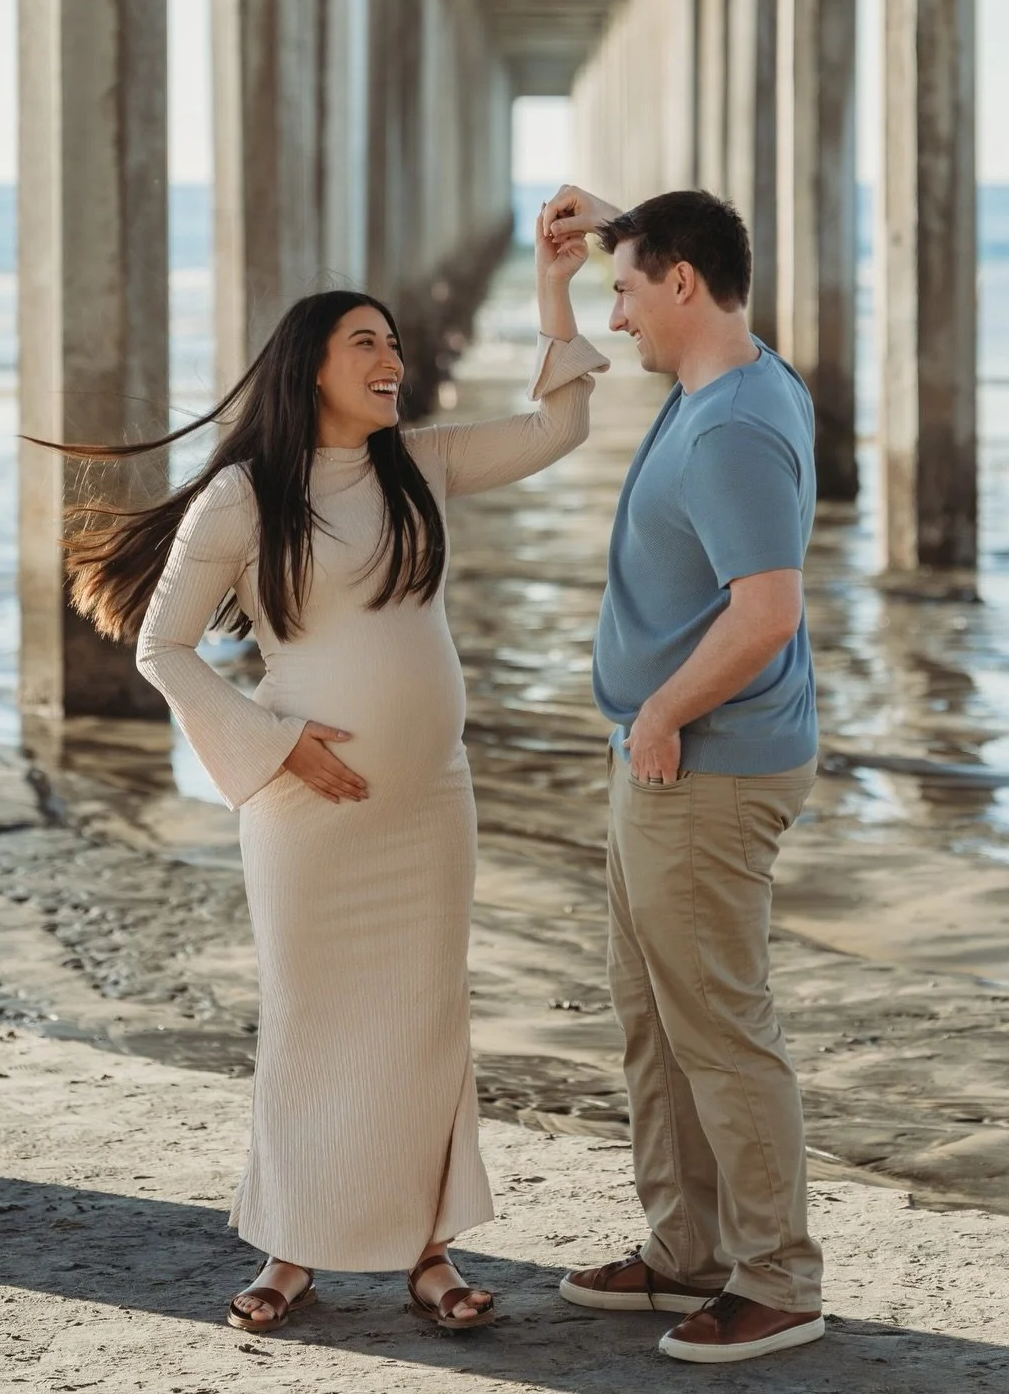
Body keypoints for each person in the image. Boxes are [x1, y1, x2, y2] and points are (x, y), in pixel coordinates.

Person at [36, 212, 605, 1334]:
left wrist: (552, 284)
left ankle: (427, 1254)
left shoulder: (422, 468)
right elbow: (162, 647)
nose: (392, 360)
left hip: (430, 807)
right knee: (310, 1022)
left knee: (425, 1022)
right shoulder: (246, 497)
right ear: (311, 365)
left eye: (394, 344)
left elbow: (557, 429)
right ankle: (293, 1249)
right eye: (367, 344)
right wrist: (272, 742)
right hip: (306, 813)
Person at [545, 185, 824, 1366]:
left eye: (623, 289)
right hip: (665, 758)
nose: (615, 318)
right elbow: (684, 246)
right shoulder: (737, 376)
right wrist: (617, 224)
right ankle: (688, 1251)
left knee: (718, 1027)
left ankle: (777, 1279)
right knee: (653, 1020)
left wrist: (658, 712)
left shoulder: (731, 428)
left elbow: (767, 612)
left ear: (681, 284)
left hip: (703, 763)